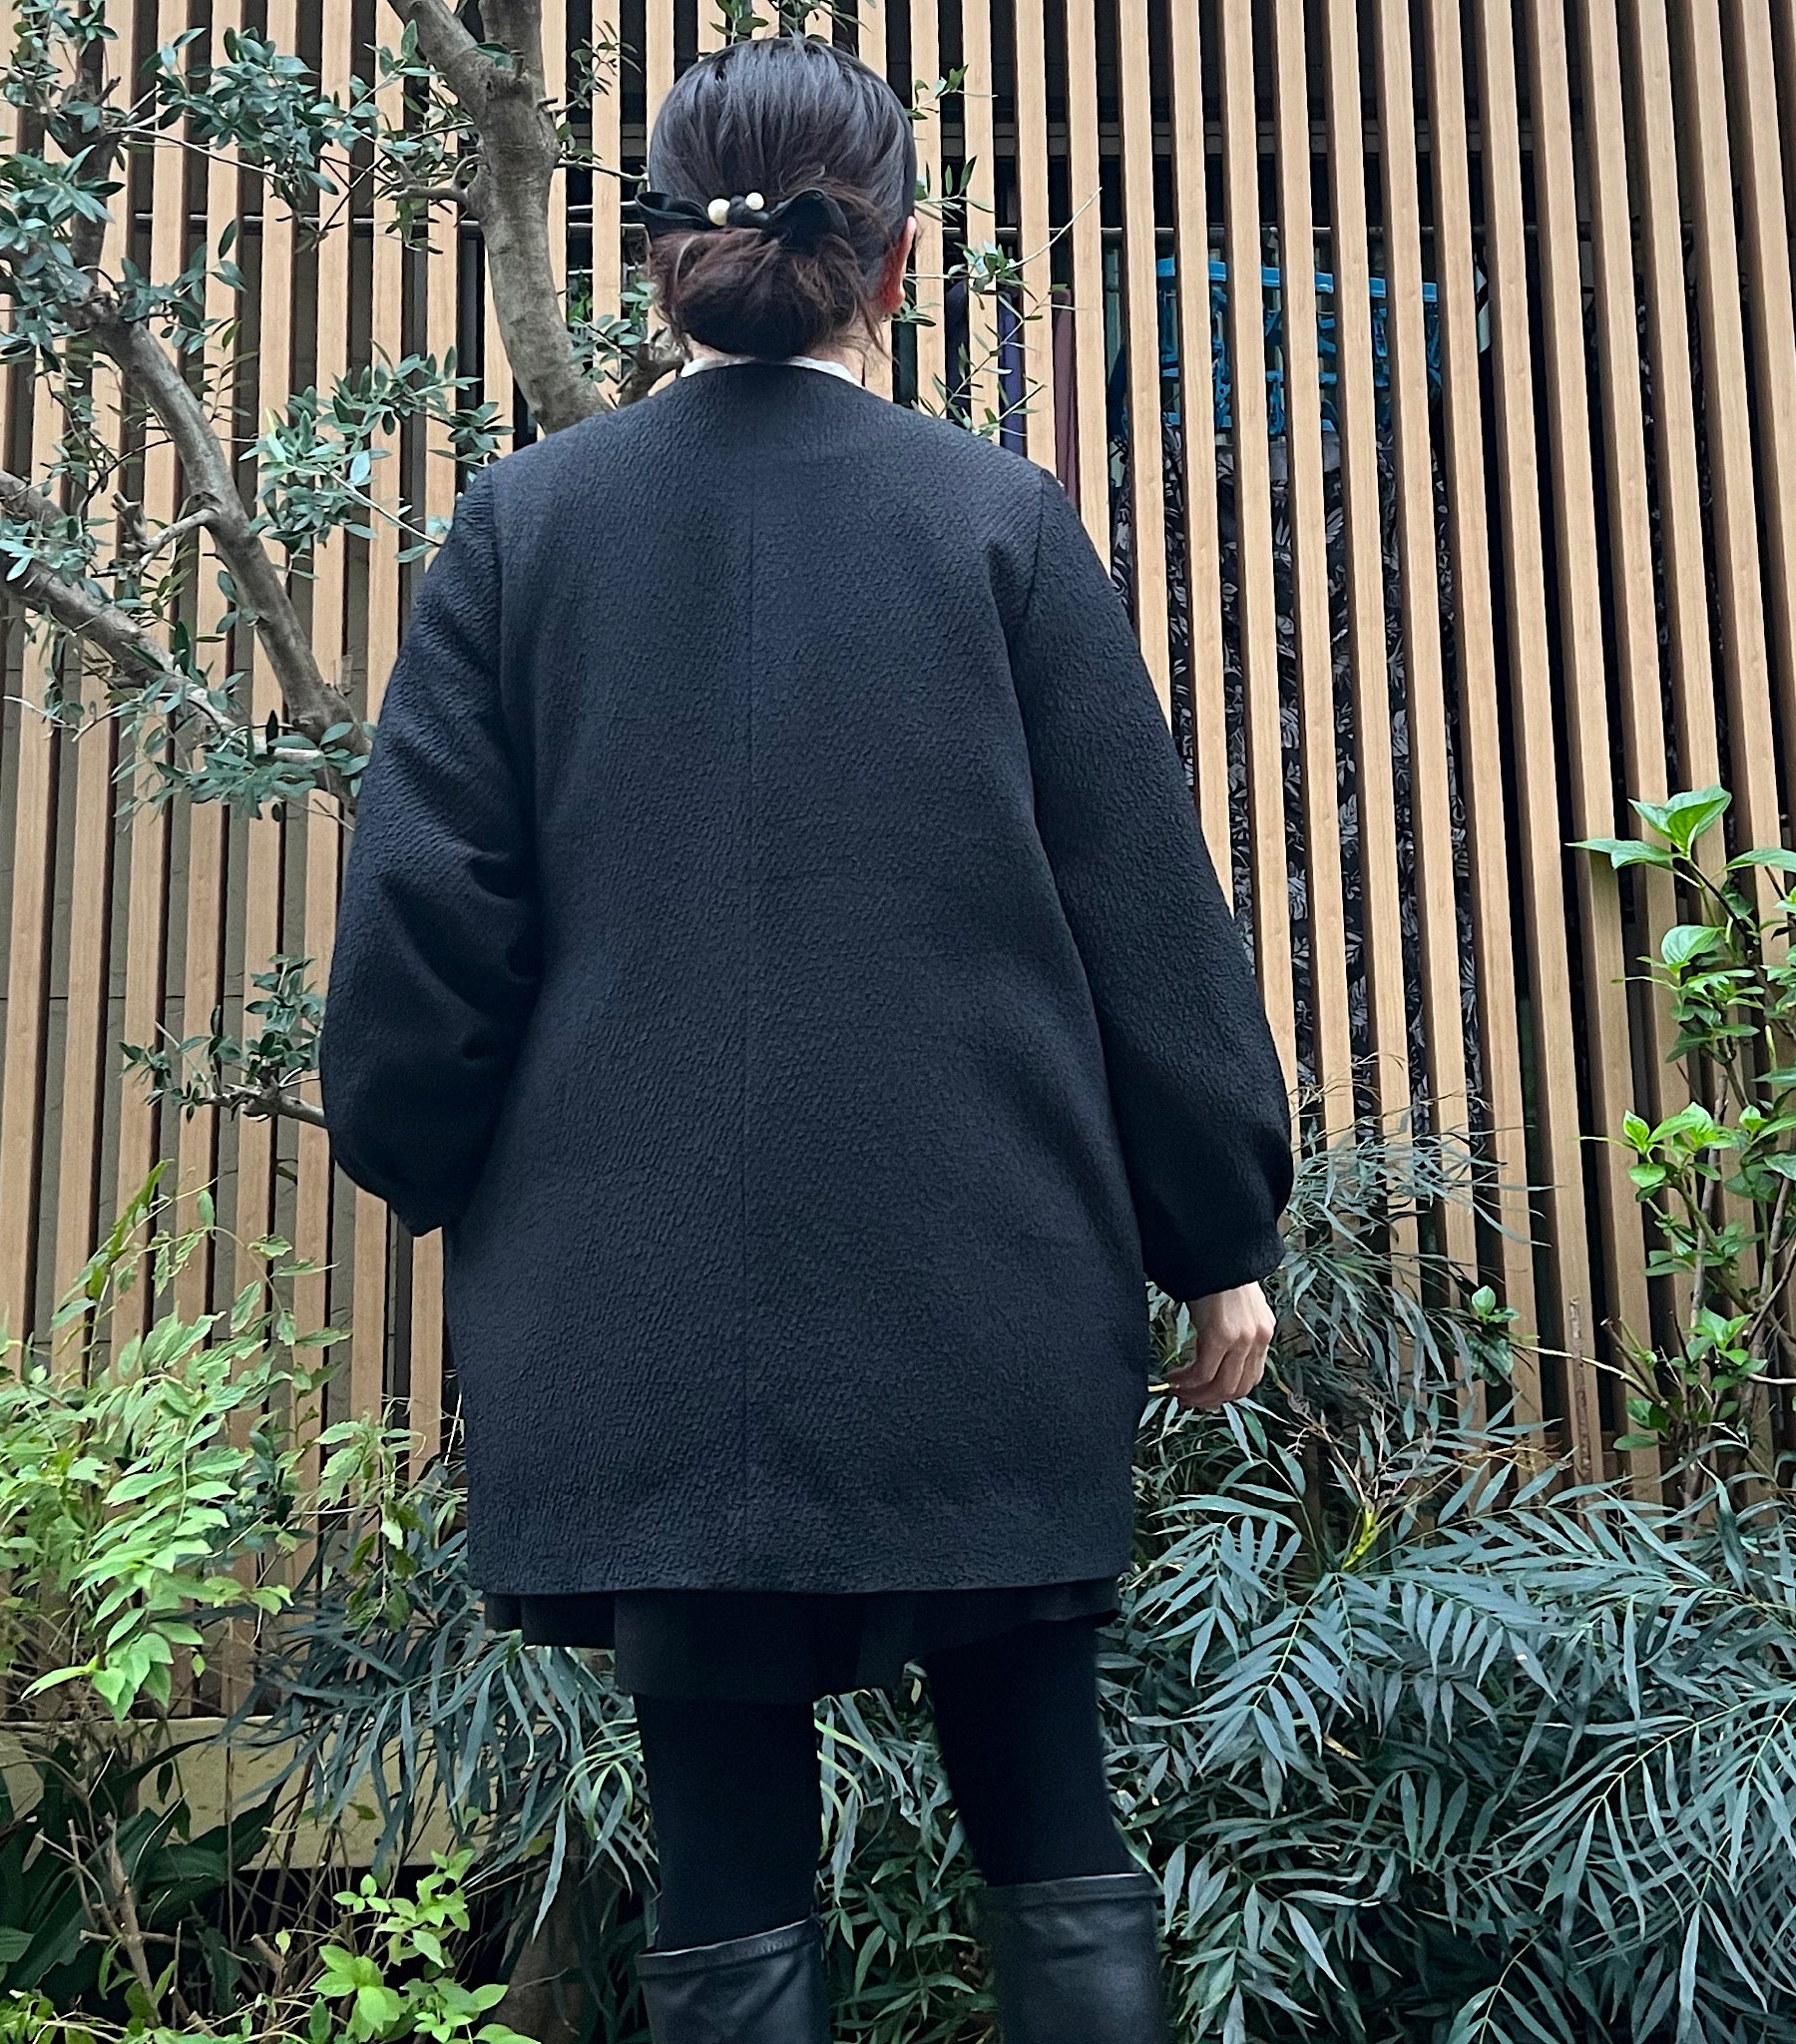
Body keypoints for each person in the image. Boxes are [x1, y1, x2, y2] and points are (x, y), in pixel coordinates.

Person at [320, 31, 1292, 2044]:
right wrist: (1215, 1230)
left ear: (654, 257)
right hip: (983, 1291)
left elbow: (423, 920)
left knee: (721, 1844)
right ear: (899, 260)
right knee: (1048, 1803)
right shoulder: (997, 521)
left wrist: (437, 1166)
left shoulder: (525, 526)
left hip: (639, 1313)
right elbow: (1143, 912)